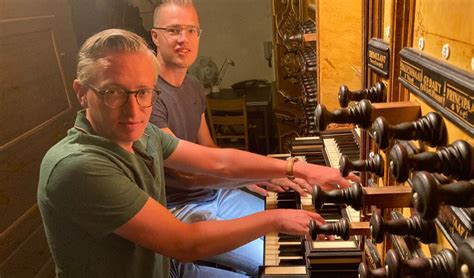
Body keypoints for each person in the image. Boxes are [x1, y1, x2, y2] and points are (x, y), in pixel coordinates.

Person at [37, 28, 357, 278]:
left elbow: (219, 161)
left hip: (169, 269)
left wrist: (301, 169)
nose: (133, 109)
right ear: (82, 93)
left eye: (143, 92)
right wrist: (276, 218)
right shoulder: (78, 167)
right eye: (112, 93)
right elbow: (185, 243)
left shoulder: (141, 133)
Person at [149, 2, 314, 276]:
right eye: (173, 30)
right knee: (277, 263)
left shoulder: (193, 86)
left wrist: (254, 177)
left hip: (217, 194)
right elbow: (185, 175)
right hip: (179, 207)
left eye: (191, 30)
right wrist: (252, 176)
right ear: (155, 36)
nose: (183, 39)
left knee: (295, 236)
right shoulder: (149, 96)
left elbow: (210, 149)